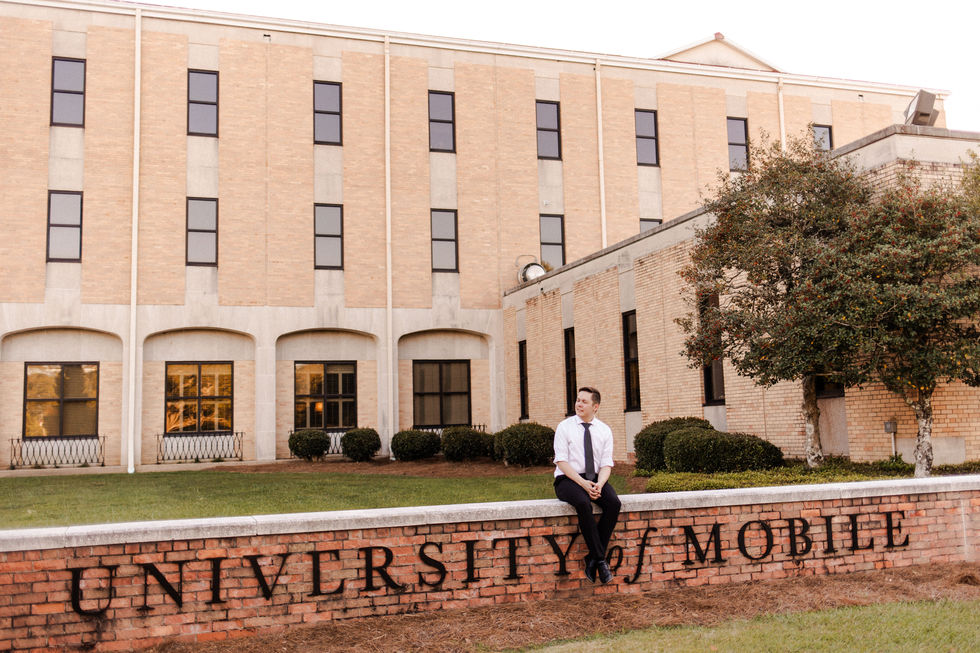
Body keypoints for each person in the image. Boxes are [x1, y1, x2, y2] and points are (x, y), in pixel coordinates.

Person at [553, 386, 621, 584]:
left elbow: (606, 464)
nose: (579, 404)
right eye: (578, 400)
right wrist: (583, 484)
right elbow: (561, 462)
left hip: (595, 478)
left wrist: (600, 484)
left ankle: (592, 558)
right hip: (568, 478)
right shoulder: (564, 427)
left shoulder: (604, 430)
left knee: (614, 503)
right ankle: (600, 559)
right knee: (583, 503)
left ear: (595, 406)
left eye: (584, 401)